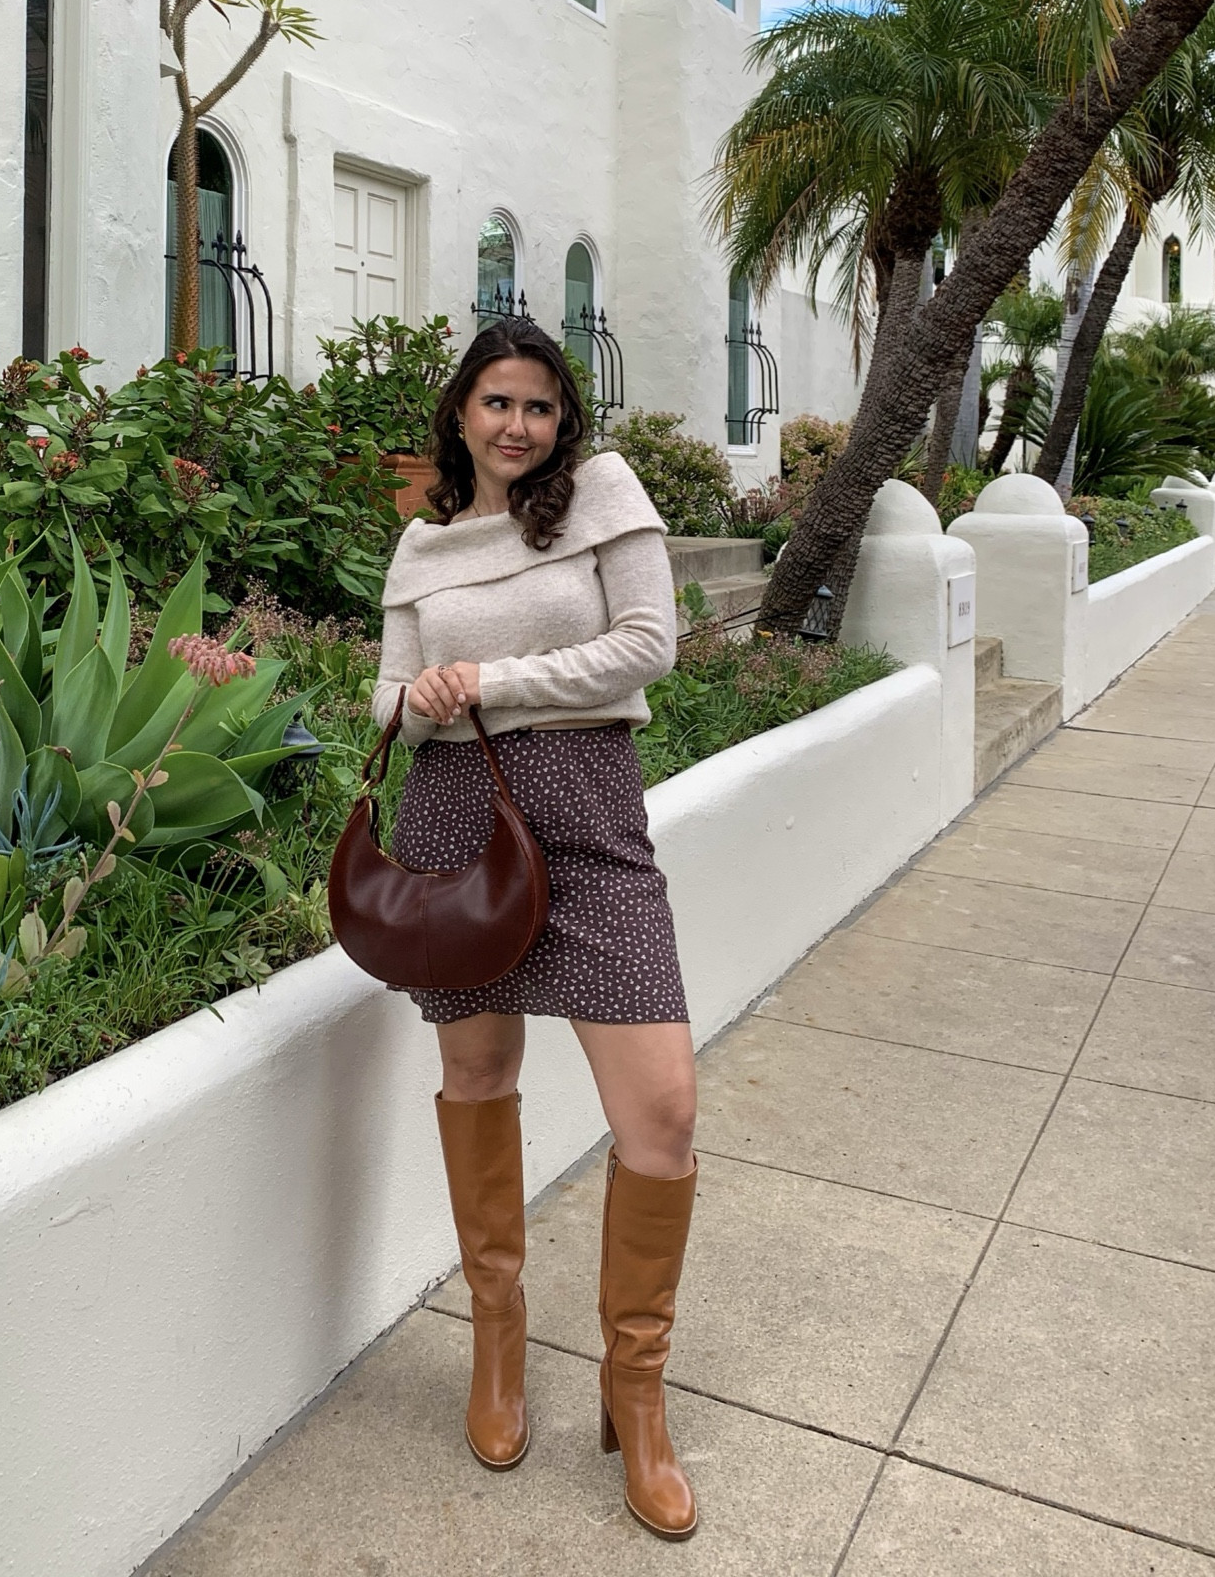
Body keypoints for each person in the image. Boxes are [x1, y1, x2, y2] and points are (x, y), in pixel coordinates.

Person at [371, 316, 698, 1542]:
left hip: (592, 814)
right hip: (457, 813)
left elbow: (646, 648)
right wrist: (422, 697)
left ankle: (636, 1388)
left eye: (541, 406)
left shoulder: (603, 496)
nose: (518, 425)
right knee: (478, 1071)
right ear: (460, 412)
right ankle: (496, 1335)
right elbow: (387, 700)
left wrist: (489, 683)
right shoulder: (422, 543)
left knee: (661, 1109)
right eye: (497, 403)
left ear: (567, 421)